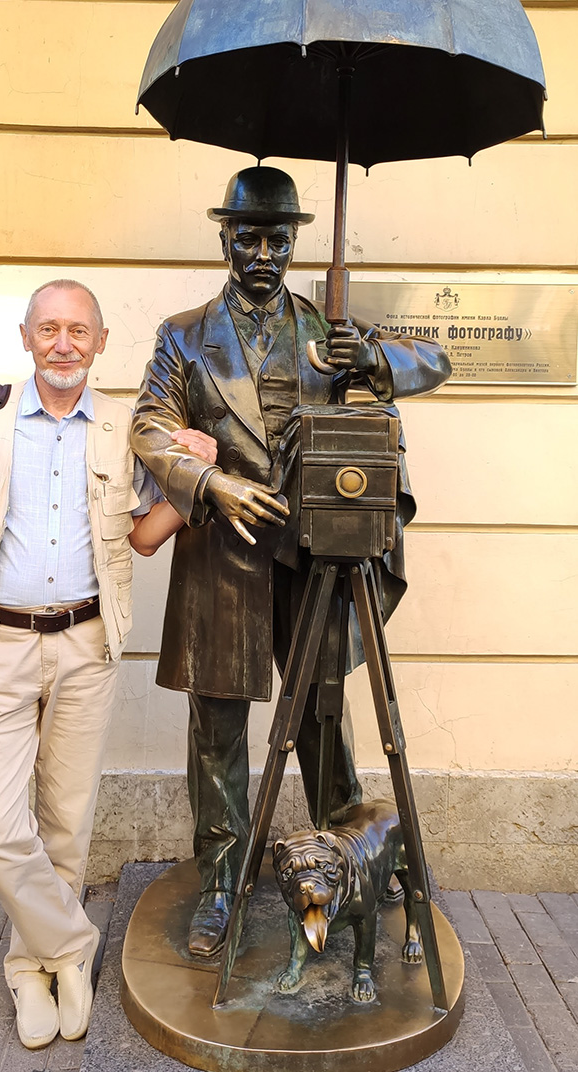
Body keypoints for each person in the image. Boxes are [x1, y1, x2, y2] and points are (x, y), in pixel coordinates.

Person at [131, 166, 452, 958]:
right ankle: (221, 883)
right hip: (221, 556)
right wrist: (210, 483)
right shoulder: (183, 335)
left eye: (278, 240)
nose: (263, 254)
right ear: (224, 239)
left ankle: (351, 861)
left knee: (322, 720)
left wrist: (371, 360)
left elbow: (435, 362)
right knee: (216, 731)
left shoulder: (326, 331)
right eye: (249, 238)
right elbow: (149, 426)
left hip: (313, 558)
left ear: (293, 243)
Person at [0, 279, 215, 1051]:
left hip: (85, 646)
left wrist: (192, 479)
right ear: (27, 337)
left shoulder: (121, 429)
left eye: (79, 330)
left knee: (65, 824)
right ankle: (75, 944)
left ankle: (33, 967)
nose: (63, 343)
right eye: (48, 328)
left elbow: (144, 537)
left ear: (100, 342)